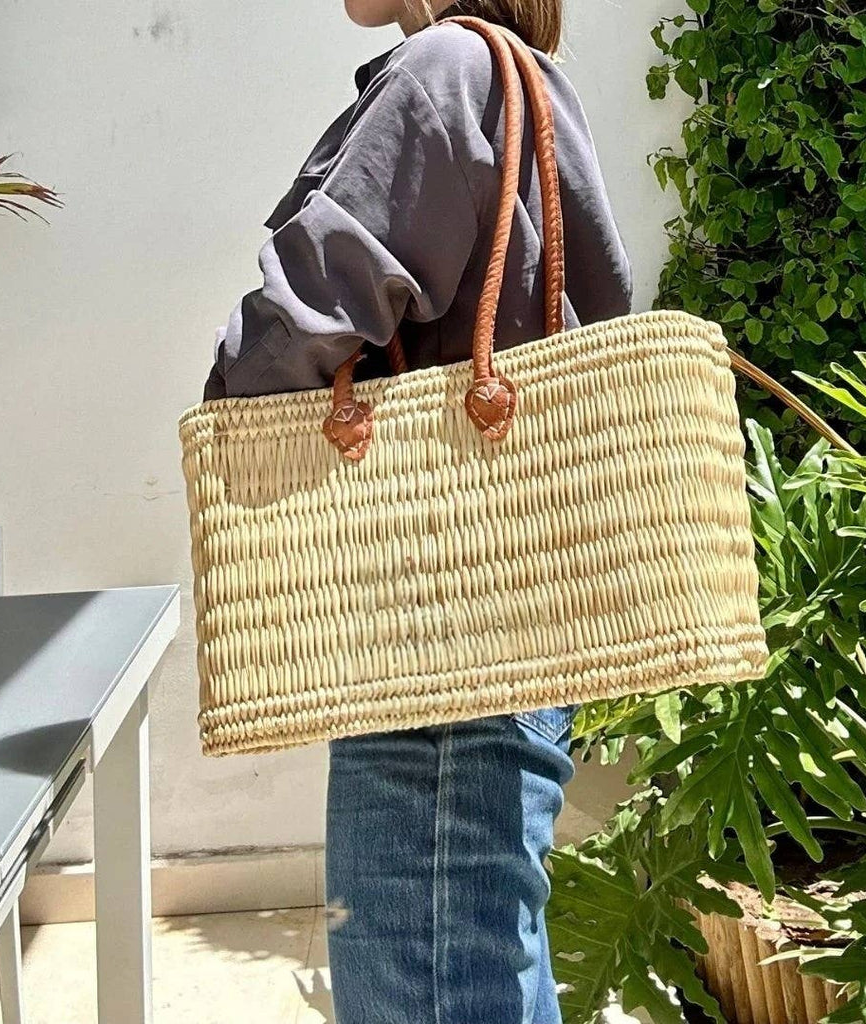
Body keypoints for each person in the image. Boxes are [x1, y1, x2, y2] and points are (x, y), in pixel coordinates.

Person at [201, 1, 632, 1021]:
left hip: (435, 618)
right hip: (508, 599)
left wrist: (228, 407)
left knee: (431, 979)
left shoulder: (446, 69)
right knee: (480, 960)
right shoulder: (514, 78)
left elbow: (314, 307)